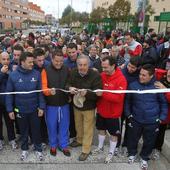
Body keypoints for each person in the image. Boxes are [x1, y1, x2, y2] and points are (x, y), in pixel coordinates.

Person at [125, 64, 168, 170]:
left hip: (152, 121)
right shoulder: (133, 85)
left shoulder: (157, 87)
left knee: (149, 141)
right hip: (135, 119)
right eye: (140, 74)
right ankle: (132, 154)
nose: (140, 77)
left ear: (151, 76)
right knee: (133, 139)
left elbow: (163, 103)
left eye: (144, 75)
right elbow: (127, 101)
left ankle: (144, 158)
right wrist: (128, 114)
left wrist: (161, 118)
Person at [6, 52, 45, 161]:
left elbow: (40, 92)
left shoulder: (36, 74)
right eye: (30, 62)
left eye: (33, 61)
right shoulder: (13, 75)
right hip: (20, 109)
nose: (32, 64)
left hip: (34, 109)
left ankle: (38, 149)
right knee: (23, 131)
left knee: (36, 130)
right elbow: (8, 94)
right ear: (22, 62)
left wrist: (42, 107)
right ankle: (24, 149)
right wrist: (10, 109)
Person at [66, 54, 102, 161]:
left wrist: (87, 93)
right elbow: (67, 84)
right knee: (78, 125)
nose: (82, 67)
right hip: (76, 105)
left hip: (89, 107)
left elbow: (98, 93)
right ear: (77, 65)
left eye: (85, 65)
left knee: (88, 129)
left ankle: (86, 150)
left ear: (88, 65)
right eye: (80, 65)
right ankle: (80, 140)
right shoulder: (73, 72)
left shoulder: (95, 75)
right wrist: (69, 88)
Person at [92, 56, 127, 163]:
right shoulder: (102, 75)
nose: (104, 70)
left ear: (113, 66)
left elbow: (119, 98)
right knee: (101, 130)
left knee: (113, 134)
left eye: (106, 67)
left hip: (114, 114)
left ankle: (111, 152)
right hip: (102, 110)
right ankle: (100, 147)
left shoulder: (121, 79)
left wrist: (103, 94)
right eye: (102, 67)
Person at [41, 50, 71, 157]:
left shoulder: (67, 69)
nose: (59, 63)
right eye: (56, 61)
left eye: (61, 61)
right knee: (51, 126)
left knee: (64, 125)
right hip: (51, 104)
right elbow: (43, 87)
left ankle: (63, 145)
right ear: (52, 59)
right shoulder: (45, 70)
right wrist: (49, 91)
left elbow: (69, 82)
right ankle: (53, 145)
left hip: (64, 103)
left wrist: (69, 88)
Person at [0, 52, 17, 150]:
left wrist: (9, 73)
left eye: (7, 59)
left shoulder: (12, 68)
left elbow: (15, 81)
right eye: (3, 59)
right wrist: (2, 73)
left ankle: (12, 139)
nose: (6, 61)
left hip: (9, 100)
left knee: (10, 121)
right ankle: (0, 140)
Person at [152, 69, 170, 159]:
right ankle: (149, 147)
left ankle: (157, 149)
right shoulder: (160, 81)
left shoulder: (163, 85)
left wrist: (165, 90)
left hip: (166, 114)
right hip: (155, 111)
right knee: (152, 130)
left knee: (161, 132)